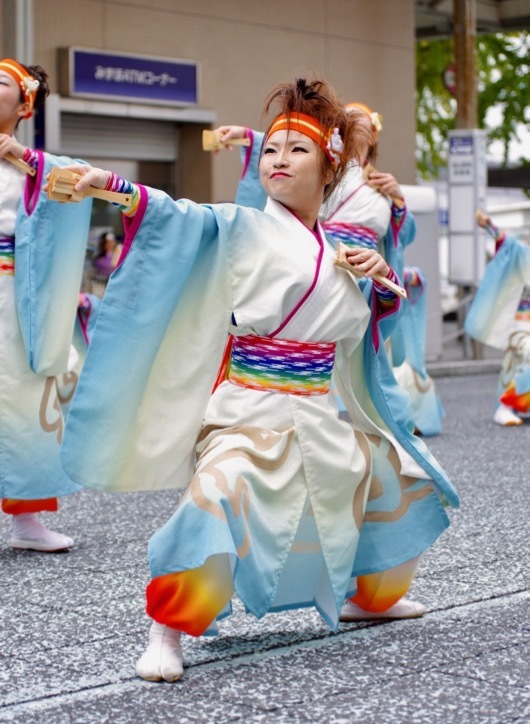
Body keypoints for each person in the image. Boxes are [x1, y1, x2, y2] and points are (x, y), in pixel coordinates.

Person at [59, 76, 458, 683]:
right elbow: (179, 215)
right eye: (270, 149)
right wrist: (118, 189)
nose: (277, 160)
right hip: (248, 410)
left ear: (329, 168)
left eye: (296, 150)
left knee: (397, 478)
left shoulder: (341, 248)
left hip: (320, 411)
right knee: (215, 496)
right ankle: (166, 628)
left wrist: (378, 284)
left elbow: (358, 333)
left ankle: (371, 598)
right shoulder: (243, 226)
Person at [214, 103, 445, 436]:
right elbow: (291, 153)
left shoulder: (379, 183)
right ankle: (296, 413)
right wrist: (249, 139)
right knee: (301, 337)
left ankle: (392, 424)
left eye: (366, 120)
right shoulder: (325, 170)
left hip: (362, 270)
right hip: (319, 263)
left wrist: (397, 203)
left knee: (372, 354)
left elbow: (402, 235)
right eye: (352, 119)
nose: (359, 123)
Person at [0, 58, 91, 551]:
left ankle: (26, 521)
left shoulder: (37, 166)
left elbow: (80, 185)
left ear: (24, 103)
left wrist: (29, 162)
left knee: (21, 399)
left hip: (15, 299)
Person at [465, 209, 530, 426]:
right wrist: (489, 225)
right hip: (520, 326)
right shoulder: (524, 255)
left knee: (514, 364)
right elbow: (507, 243)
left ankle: (510, 405)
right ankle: (505, 405)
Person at [90, 231, 122, 297]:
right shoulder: (99, 260)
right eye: (107, 242)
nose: (110, 244)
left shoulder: (117, 255)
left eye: (112, 242)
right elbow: (109, 268)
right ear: (103, 244)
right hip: (101, 289)